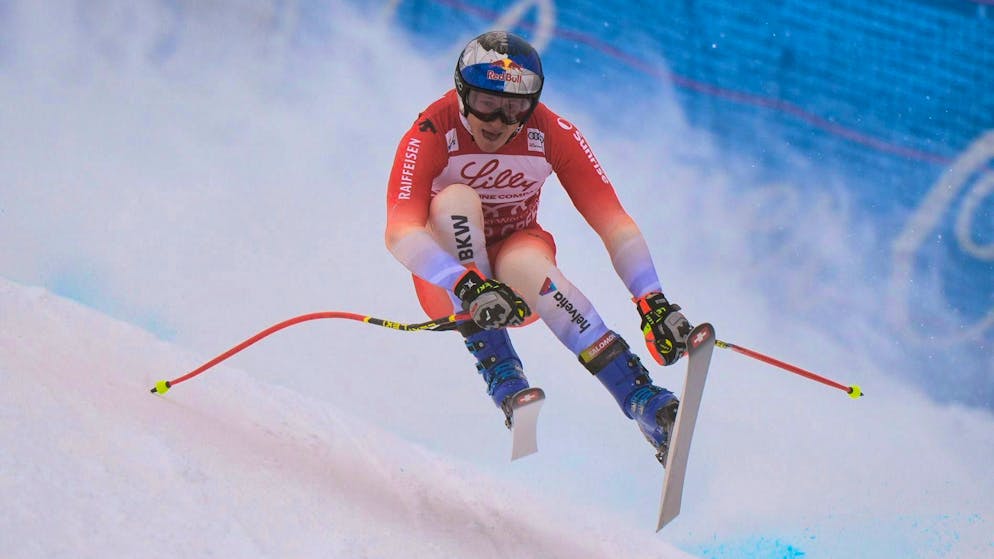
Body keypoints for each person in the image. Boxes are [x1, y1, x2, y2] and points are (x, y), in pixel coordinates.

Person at [385, 30, 692, 464]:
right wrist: (467, 284)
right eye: (486, 104)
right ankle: (502, 373)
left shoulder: (552, 132)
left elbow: (613, 222)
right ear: (461, 93)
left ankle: (641, 399)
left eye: (515, 109)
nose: (499, 122)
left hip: (516, 282)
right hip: (449, 284)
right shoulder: (432, 130)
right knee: (455, 201)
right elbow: (400, 231)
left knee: (529, 261)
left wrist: (652, 299)